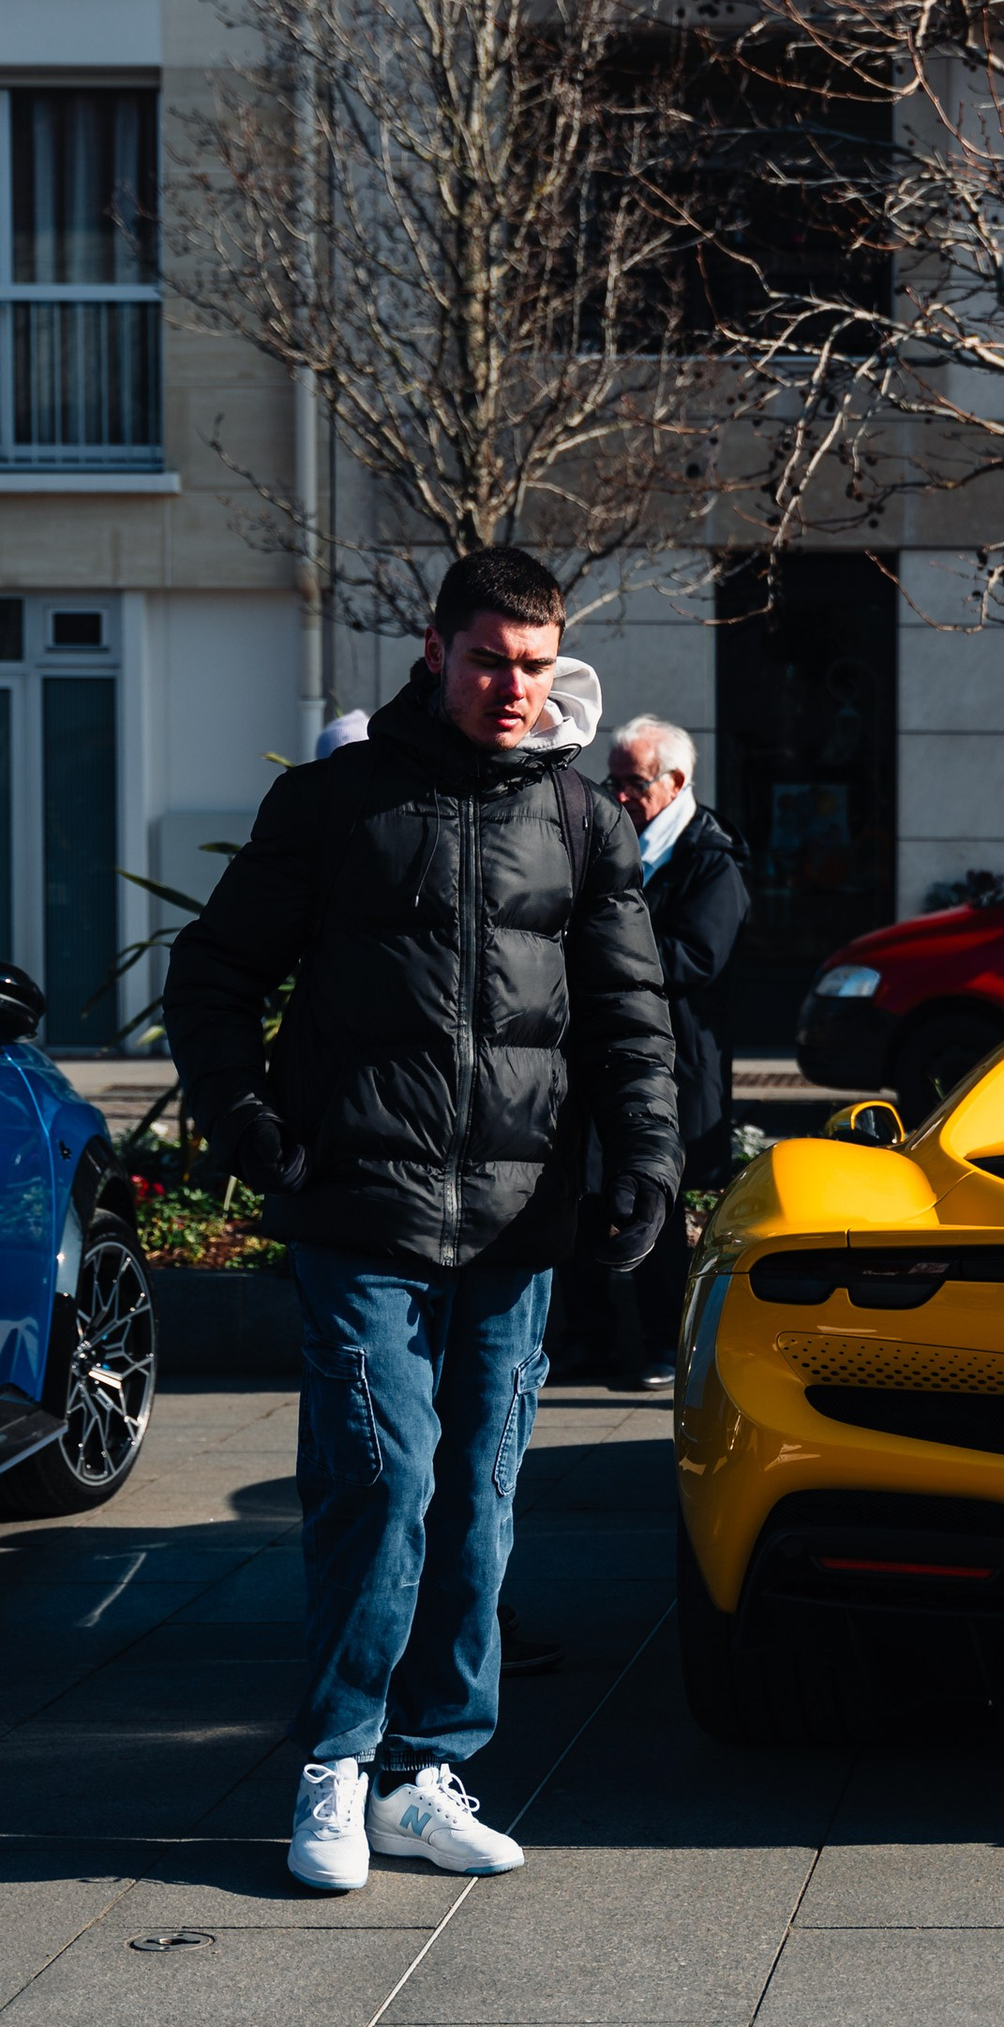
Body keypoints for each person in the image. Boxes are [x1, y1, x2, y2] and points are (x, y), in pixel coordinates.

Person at [163, 547, 680, 1897]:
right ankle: (336, 1761)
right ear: (436, 650)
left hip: (515, 1225)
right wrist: (253, 1132)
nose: (514, 687)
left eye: (535, 664)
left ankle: (425, 1772)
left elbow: (632, 1020)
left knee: (481, 1510)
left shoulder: (581, 822)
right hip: (364, 1210)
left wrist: (647, 1162)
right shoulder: (334, 806)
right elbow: (213, 976)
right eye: (490, 660)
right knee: (381, 1486)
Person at [578, 714, 749, 1391]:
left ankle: (662, 1347)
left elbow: (696, 958)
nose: (618, 795)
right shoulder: (612, 842)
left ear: (676, 782)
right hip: (607, 1051)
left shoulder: (712, 858)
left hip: (675, 1062)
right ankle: (591, 1341)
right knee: (592, 1192)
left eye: (633, 783)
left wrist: (603, 951)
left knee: (656, 1201)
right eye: (611, 780)